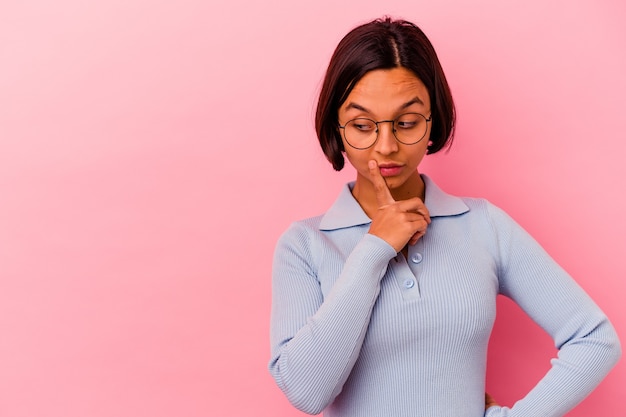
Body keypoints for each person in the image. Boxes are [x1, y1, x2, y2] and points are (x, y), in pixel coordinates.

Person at [268, 16, 621, 417]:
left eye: (406, 123)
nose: (386, 146)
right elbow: (304, 392)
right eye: (363, 125)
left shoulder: (483, 226)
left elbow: (594, 338)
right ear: (337, 126)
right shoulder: (305, 245)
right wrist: (374, 248)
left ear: (433, 119)